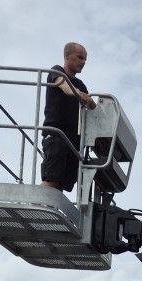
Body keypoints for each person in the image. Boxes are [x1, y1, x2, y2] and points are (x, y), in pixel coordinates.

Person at [41, 42, 96, 192]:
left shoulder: (81, 85)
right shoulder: (57, 72)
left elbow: (91, 109)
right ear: (66, 56)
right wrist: (80, 95)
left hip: (74, 142)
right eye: (80, 57)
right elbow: (65, 87)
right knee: (51, 180)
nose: (83, 62)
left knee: (61, 186)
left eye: (85, 59)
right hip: (56, 136)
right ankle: (37, 203)